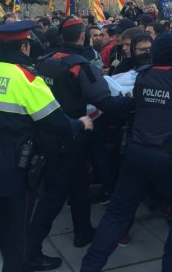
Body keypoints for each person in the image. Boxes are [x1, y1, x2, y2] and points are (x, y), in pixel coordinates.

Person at [81, 32, 172, 272]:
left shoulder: (143, 76)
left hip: (136, 154)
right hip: (169, 158)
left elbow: (137, 103)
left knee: (117, 215)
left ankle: (90, 266)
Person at [0, 20, 93, 272]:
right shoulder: (27, 78)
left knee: (2, 227)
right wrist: (81, 123)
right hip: (17, 168)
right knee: (21, 233)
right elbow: (56, 123)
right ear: (24, 47)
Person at [28, 17, 134, 271]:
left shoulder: (44, 61)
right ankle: (29, 252)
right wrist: (135, 101)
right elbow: (105, 101)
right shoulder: (79, 65)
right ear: (83, 37)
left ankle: (83, 231)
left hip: (50, 132)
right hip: (70, 135)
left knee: (79, 184)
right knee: (52, 198)